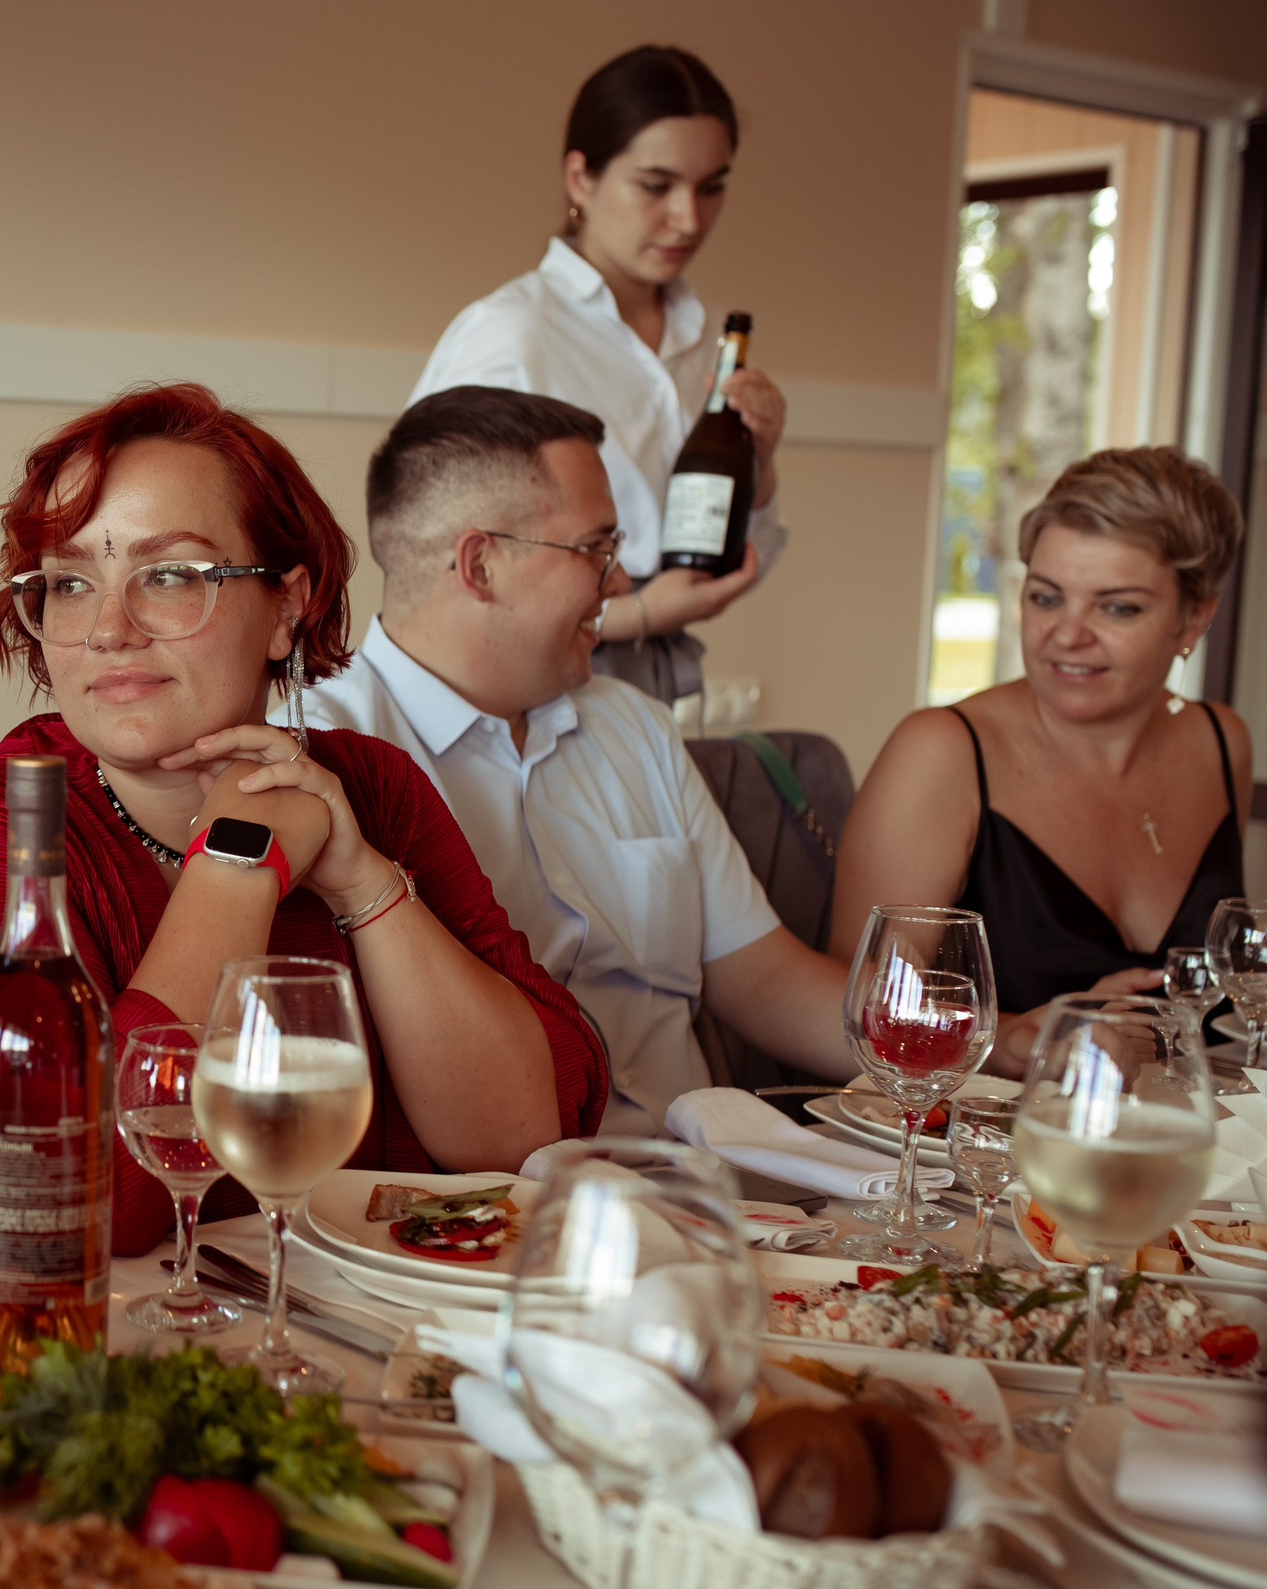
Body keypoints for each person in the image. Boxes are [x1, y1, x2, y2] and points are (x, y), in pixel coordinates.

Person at [0, 383, 608, 1255]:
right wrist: (236, 860)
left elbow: (525, 1130)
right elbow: (62, 1200)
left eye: (169, 575)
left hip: (349, 1319)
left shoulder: (370, 788)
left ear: (286, 607)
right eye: (70, 583)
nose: (107, 629)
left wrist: (362, 884)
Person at [305, 386, 854, 1133]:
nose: (620, 582)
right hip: (494, 1188)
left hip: (710, 1179)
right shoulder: (327, 756)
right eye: (596, 548)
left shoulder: (634, 724)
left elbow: (765, 978)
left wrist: (978, 1043)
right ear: (481, 566)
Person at [836, 446, 1249, 1072]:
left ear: (1194, 619)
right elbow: (859, 1011)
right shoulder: (941, 752)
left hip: (1189, 1127)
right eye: (1047, 598)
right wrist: (1027, 1039)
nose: (1067, 635)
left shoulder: (1221, 743)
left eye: (1117, 607)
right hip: (985, 1129)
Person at [411, 44, 787, 706]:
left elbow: (736, 555)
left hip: (659, 683)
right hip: (522, 687)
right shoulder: (511, 335)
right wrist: (636, 613)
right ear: (580, 178)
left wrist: (761, 464)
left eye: (711, 186)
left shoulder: (707, 341)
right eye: (656, 186)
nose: (689, 218)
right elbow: (432, 566)